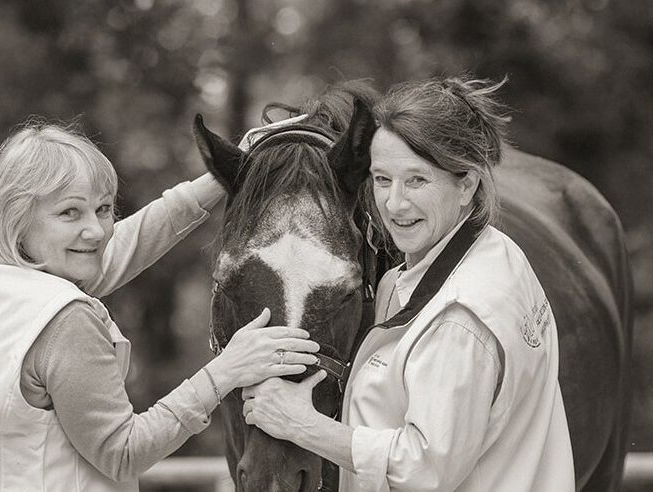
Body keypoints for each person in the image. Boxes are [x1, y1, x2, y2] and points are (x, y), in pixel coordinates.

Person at [0, 121, 321, 491]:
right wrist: (224, 372)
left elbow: (119, 247)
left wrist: (226, 173)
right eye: (69, 213)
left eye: (102, 209)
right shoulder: (64, 322)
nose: (95, 231)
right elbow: (122, 453)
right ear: (18, 219)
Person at [239, 76, 575, 491]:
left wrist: (301, 425)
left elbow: (425, 469)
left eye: (416, 180)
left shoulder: (460, 319)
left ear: (466, 184)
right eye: (382, 180)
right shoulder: (497, 252)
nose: (395, 204)